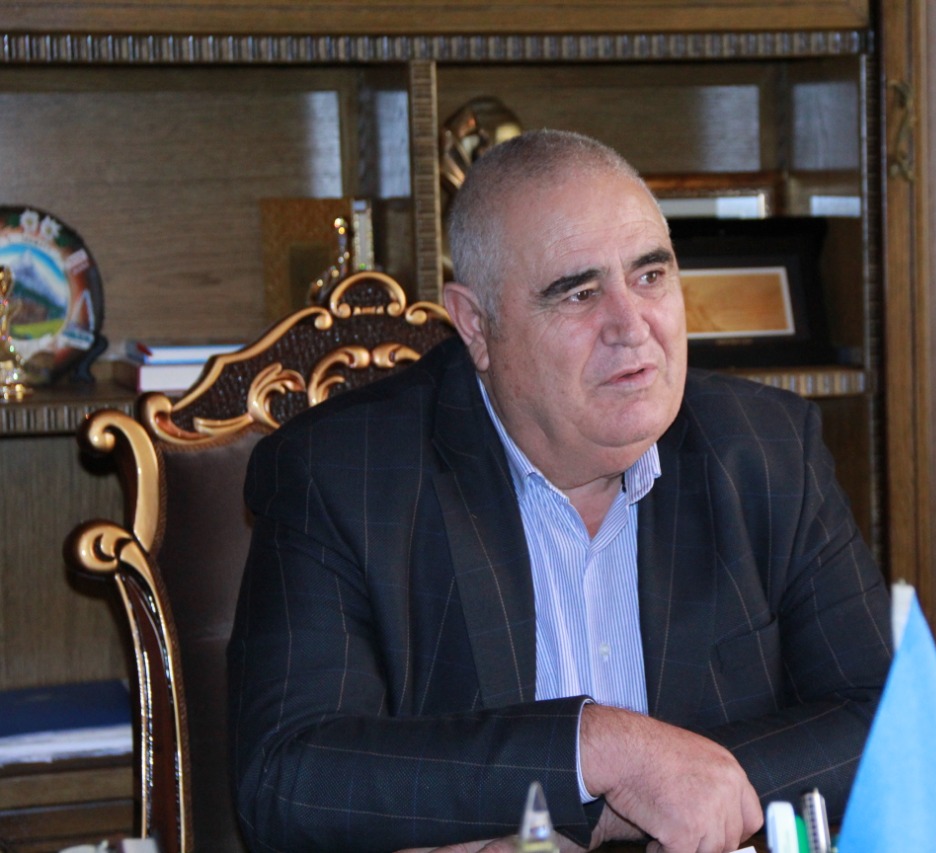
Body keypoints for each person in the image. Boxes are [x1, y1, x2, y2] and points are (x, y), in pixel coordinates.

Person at [228, 129, 891, 853]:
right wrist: (591, 748)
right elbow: (287, 777)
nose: (632, 327)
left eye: (650, 275)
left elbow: (887, 726)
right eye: (578, 293)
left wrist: (643, 797)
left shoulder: (767, 449)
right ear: (477, 325)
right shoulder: (342, 475)